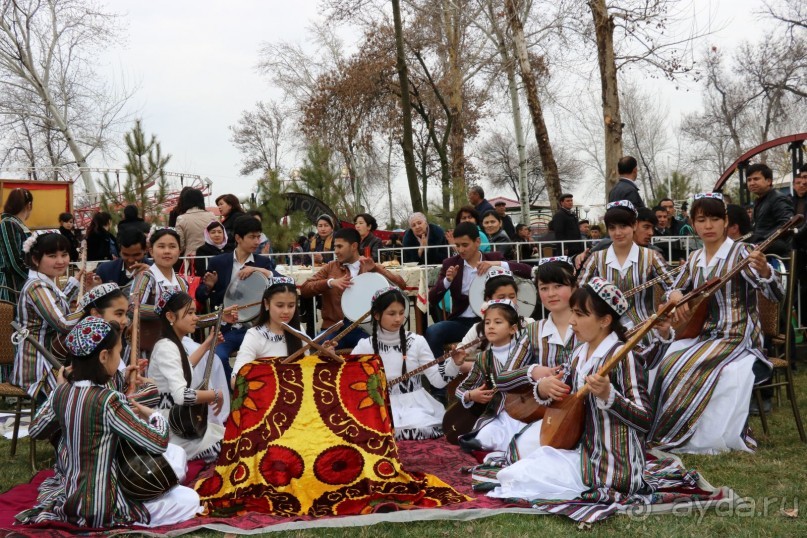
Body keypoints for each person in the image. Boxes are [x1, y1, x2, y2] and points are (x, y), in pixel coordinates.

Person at [16, 317, 202, 528]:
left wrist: (57, 391)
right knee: (189, 499)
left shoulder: (62, 394)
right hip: (103, 508)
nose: (119, 358)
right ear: (104, 356)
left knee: (175, 462)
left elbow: (35, 430)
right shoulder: (108, 401)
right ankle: (132, 518)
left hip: (70, 501)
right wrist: (154, 415)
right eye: (118, 352)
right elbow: (158, 442)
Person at [488, 279, 655, 508]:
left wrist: (610, 396)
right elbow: (561, 391)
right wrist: (543, 387)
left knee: (517, 479)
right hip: (584, 453)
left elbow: (645, 419)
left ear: (605, 321)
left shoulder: (624, 356)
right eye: (573, 312)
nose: (572, 321)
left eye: (580, 314)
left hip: (613, 467)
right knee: (513, 472)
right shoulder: (580, 353)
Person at [648, 192, 783, 454]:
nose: (708, 226)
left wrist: (766, 272)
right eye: (701, 220)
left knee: (684, 362)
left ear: (725, 221)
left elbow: (775, 294)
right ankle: (671, 428)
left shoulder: (742, 253)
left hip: (739, 335)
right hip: (707, 334)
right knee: (665, 360)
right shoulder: (696, 258)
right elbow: (673, 290)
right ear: (693, 224)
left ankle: (680, 433)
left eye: (714, 219)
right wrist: (675, 294)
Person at [352, 287, 463, 440]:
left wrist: (454, 363)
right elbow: (348, 380)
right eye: (391, 314)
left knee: (419, 428)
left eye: (401, 313)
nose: (398, 319)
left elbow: (437, 381)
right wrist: (329, 356)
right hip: (379, 406)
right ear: (377, 315)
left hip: (415, 405)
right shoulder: (364, 346)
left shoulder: (417, 342)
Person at [425, 222, 532, 358]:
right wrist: (447, 281)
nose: (461, 250)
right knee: (433, 331)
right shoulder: (451, 263)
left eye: (465, 245)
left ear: (477, 242)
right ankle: (440, 375)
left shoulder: (494, 258)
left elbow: (527, 271)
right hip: (462, 322)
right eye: (457, 245)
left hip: (494, 319)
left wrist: (496, 264)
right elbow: (433, 299)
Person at [195, 216, 277, 380]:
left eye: (258, 236)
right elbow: (200, 295)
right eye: (252, 237)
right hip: (228, 329)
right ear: (238, 238)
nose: (257, 241)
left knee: (272, 358)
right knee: (218, 356)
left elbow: (283, 281)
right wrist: (209, 286)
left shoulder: (262, 262)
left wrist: (259, 271)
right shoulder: (219, 262)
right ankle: (234, 393)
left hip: (257, 327)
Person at [148, 289, 225, 462]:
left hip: (178, 421)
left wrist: (207, 344)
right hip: (172, 426)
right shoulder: (166, 347)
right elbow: (182, 396)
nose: (195, 318)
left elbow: (185, 367)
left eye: (195, 313)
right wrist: (215, 395)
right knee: (227, 443)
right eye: (189, 313)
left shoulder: (171, 344)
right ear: (170, 317)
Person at [300, 227, 406, 349]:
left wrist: (376, 270)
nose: (335, 251)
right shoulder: (330, 267)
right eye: (335, 247)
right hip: (335, 327)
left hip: (365, 328)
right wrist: (330, 282)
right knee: (319, 349)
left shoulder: (370, 265)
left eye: (340, 247)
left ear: (354, 246)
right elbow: (304, 289)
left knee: (376, 349)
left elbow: (401, 286)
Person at [579, 201, 674, 333]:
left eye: (623, 226)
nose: (618, 232)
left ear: (634, 225)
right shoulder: (596, 258)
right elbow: (579, 293)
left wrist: (666, 305)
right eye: (612, 228)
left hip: (645, 331)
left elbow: (673, 287)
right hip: (605, 332)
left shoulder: (651, 257)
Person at [452, 299, 533, 453]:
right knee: (486, 435)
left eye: (498, 322)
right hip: (498, 415)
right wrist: (471, 395)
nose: (491, 326)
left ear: (513, 328)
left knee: (528, 437)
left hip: (526, 411)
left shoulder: (525, 351)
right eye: (487, 322)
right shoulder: (483, 358)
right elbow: (461, 389)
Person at [12, 232, 83, 400]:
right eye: (52, 256)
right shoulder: (37, 287)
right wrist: (91, 304)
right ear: (36, 259)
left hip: (50, 360)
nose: (60, 261)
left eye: (64, 254)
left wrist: (76, 282)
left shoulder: (43, 282)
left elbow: (56, 304)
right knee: (74, 400)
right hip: (38, 367)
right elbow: (63, 323)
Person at [230, 277, 303, 388]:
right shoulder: (254, 335)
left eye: (291, 306)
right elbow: (235, 380)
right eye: (280, 305)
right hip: (265, 399)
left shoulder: (299, 330)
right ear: (266, 304)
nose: (286, 311)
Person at [747, 162, 794, 257]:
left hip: (776, 255)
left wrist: (763, 240)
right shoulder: (759, 200)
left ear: (768, 181)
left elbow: (787, 223)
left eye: (756, 179)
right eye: (749, 180)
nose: (751, 183)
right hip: (763, 251)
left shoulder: (777, 198)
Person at [0, 187, 33, 301]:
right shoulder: (8, 223)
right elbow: (13, 262)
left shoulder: (16, 224)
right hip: (13, 287)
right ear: (29, 205)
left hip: (22, 284)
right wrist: (32, 278)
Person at [176, 188, 217, 257]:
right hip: (211, 256)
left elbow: (181, 245)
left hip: (191, 258)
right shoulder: (212, 216)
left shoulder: (181, 219)